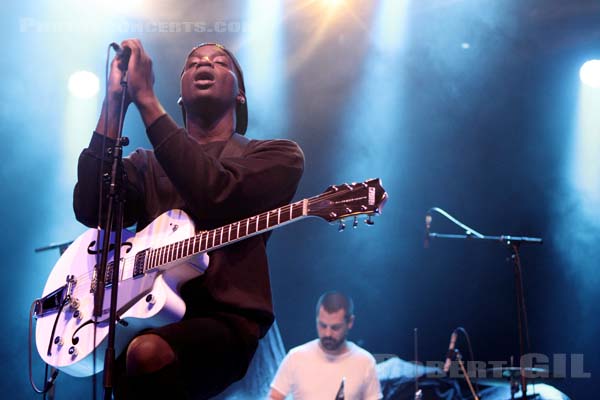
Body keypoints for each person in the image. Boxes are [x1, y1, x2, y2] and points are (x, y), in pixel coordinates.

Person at [73, 39, 304, 399]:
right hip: (143, 316)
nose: (204, 64)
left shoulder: (276, 155)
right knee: (137, 359)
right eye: (193, 61)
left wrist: (147, 102)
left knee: (148, 353)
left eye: (219, 61)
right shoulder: (145, 164)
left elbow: (216, 194)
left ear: (240, 94)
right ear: (179, 96)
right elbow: (90, 207)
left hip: (223, 322)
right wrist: (114, 104)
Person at [269, 291, 382, 400]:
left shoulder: (365, 362)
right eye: (322, 325)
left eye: (335, 327)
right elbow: (274, 397)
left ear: (350, 322)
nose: (327, 333)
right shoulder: (295, 357)